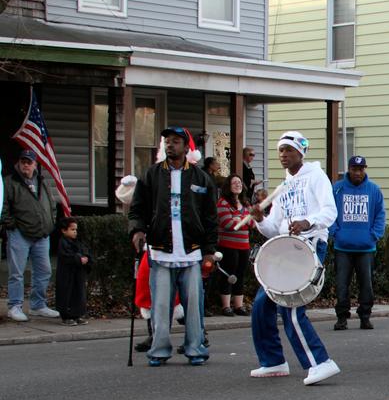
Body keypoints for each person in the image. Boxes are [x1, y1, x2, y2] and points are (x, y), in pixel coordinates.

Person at [248, 131, 340, 385]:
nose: (284, 155)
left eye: (289, 150)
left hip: (309, 247)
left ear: (301, 152)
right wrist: (259, 219)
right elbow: (273, 229)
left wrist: (307, 221)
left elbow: (330, 212)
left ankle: (320, 362)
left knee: (290, 308)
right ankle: (273, 361)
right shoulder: (284, 186)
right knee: (261, 306)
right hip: (284, 250)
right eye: (280, 151)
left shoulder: (316, 176)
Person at [128, 127, 217, 366]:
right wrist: (137, 229)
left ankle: (195, 348)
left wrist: (209, 250)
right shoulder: (152, 175)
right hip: (160, 250)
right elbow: (137, 209)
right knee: (160, 305)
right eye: (167, 142)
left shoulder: (201, 178)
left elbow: (210, 217)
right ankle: (159, 350)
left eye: (176, 142)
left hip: (191, 250)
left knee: (193, 306)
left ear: (186, 147)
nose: (170, 145)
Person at [2, 149, 60, 321]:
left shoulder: (42, 182)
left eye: (29, 162)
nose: (26, 164)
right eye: (23, 161)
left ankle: (37, 305)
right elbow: (3, 208)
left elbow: (52, 205)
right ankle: (15, 306)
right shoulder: (9, 182)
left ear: (35, 164)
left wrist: (51, 221)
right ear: (19, 163)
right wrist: (12, 225)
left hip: (42, 235)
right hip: (19, 233)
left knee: (44, 271)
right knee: (16, 272)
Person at [331, 155, 386, 330]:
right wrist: (335, 233)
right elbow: (329, 212)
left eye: (361, 169)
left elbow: (380, 215)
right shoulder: (337, 189)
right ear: (349, 169)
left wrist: (375, 235)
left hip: (366, 247)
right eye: (354, 169)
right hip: (343, 246)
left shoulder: (374, 190)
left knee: (367, 285)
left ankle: (365, 316)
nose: (358, 172)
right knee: (341, 284)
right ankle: (342, 317)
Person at [216, 174, 253, 316]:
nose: (237, 185)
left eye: (239, 182)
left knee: (240, 274)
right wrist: (244, 220)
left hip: (244, 245)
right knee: (228, 274)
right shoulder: (223, 203)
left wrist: (239, 218)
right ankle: (226, 306)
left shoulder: (246, 203)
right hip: (228, 245)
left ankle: (239, 305)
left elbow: (253, 223)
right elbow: (228, 224)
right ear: (228, 186)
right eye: (234, 183)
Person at [55, 217, 91, 326]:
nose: (75, 232)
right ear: (64, 230)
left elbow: (85, 251)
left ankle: (78, 314)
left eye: (76, 230)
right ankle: (67, 316)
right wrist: (78, 259)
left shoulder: (78, 242)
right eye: (72, 229)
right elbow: (66, 256)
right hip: (66, 274)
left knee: (79, 293)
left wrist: (86, 258)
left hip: (78, 274)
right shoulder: (63, 242)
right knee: (67, 294)